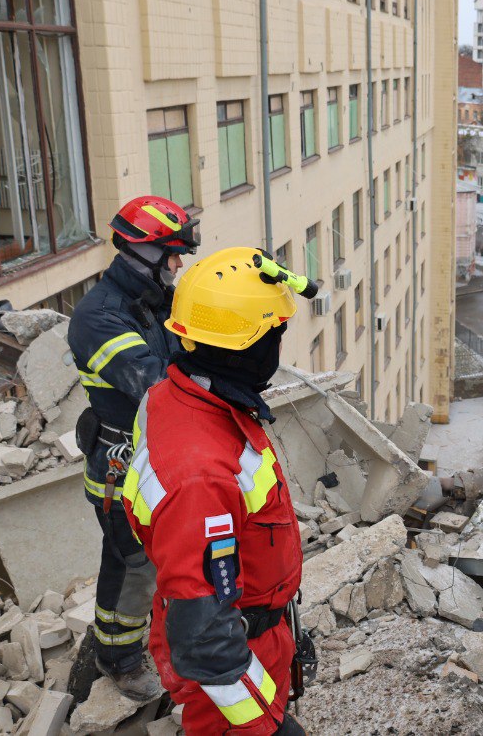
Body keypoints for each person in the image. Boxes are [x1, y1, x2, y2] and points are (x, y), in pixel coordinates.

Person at [121, 247, 316, 736]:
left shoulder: (181, 393)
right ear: (249, 345)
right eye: (276, 334)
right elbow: (206, 641)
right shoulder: (201, 475)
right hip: (231, 662)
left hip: (252, 626)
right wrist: (267, 725)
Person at [67, 195, 199, 699]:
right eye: (172, 254)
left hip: (162, 454)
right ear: (142, 254)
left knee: (171, 556)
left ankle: (172, 639)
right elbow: (155, 386)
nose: (178, 264)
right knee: (132, 563)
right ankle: (117, 655)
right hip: (119, 467)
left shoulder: (157, 299)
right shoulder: (98, 317)